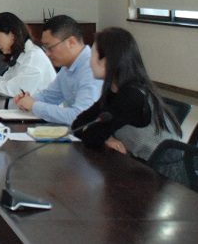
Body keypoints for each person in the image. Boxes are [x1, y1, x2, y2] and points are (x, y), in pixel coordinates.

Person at [72, 27, 181, 161]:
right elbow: (78, 123)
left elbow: (92, 137)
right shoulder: (114, 90)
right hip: (137, 162)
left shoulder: (131, 97)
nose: (89, 62)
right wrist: (108, 139)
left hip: (160, 169)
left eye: (92, 56)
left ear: (105, 63)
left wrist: (101, 136)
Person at [14, 15, 102, 125]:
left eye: (50, 47)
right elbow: (48, 96)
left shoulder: (91, 68)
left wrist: (34, 105)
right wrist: (26, 100)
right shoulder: (66, 68)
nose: (47, 53)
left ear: (71, 42)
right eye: (45, 48)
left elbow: (80, 116)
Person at [0, 12, 56, 96]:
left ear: (12, 34)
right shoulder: (20, 55)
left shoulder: (33, 57)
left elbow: (18, 90)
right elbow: (7, 80)